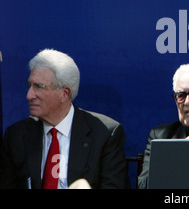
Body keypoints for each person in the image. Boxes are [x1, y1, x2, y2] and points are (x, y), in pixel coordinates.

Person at [0, 49, 130, 189]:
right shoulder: (16, 135)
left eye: (38, 87)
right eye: (29, 85)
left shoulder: (104, 134)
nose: (29, 95)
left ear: (65, 93)